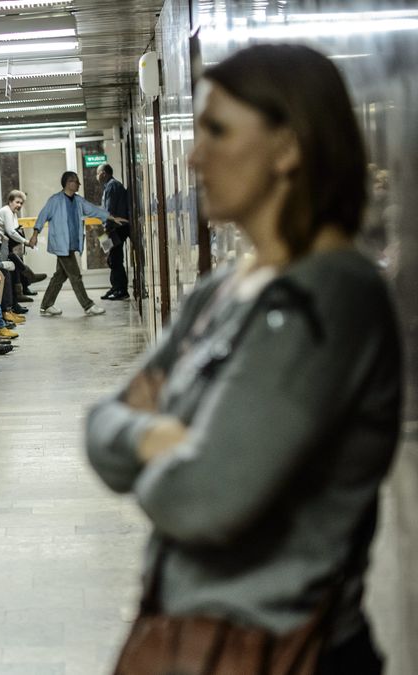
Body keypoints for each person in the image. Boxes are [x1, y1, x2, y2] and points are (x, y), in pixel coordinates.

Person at [86, 44, 400, 673]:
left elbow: (201, 497)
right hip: (192, 636)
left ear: (288, 148)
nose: (195, 158)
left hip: (287, 650)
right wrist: (164, 438)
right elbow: (100, 430)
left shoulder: (331, 296)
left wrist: (152, 437)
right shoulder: (219, 290)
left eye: (218, 132)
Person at [29, 171, 128, 317]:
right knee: (75, 276)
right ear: (68, 183)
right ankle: (88, 305)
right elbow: (43, 216)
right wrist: (35, 235)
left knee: (59, 276)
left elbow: (94, 210)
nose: (79, 184)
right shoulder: (55, 200)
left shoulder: (77, 200)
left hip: (71, 244)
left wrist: (112, 217)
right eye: (76, 182)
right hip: (61, 245)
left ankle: (46, 305)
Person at [98, 164, 131, 300]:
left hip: (115, 228)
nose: (97, 176)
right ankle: (116, 286)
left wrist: (106, 227)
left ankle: (121, 290)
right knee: (112, 258)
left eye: (98, 173)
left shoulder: (112, 186)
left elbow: (109, 209)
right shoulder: (109, 186)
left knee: (115, 258)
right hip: (112, 228)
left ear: (104, 173)